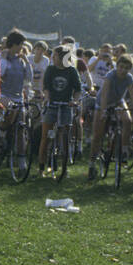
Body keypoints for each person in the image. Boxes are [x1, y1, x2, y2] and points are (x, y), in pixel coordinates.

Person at [38, 45, 81, 174]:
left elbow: (78, 89)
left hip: (66, 106)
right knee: (45, 136)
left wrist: (74, 100)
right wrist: (47, 97)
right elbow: (46, 86)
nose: (52, 58)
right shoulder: (50, 69)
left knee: (65, 137)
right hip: (52, 105)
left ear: (62, 57)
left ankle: (64, 167)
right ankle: (41, 166)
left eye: (55, 55)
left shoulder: (72, 71)